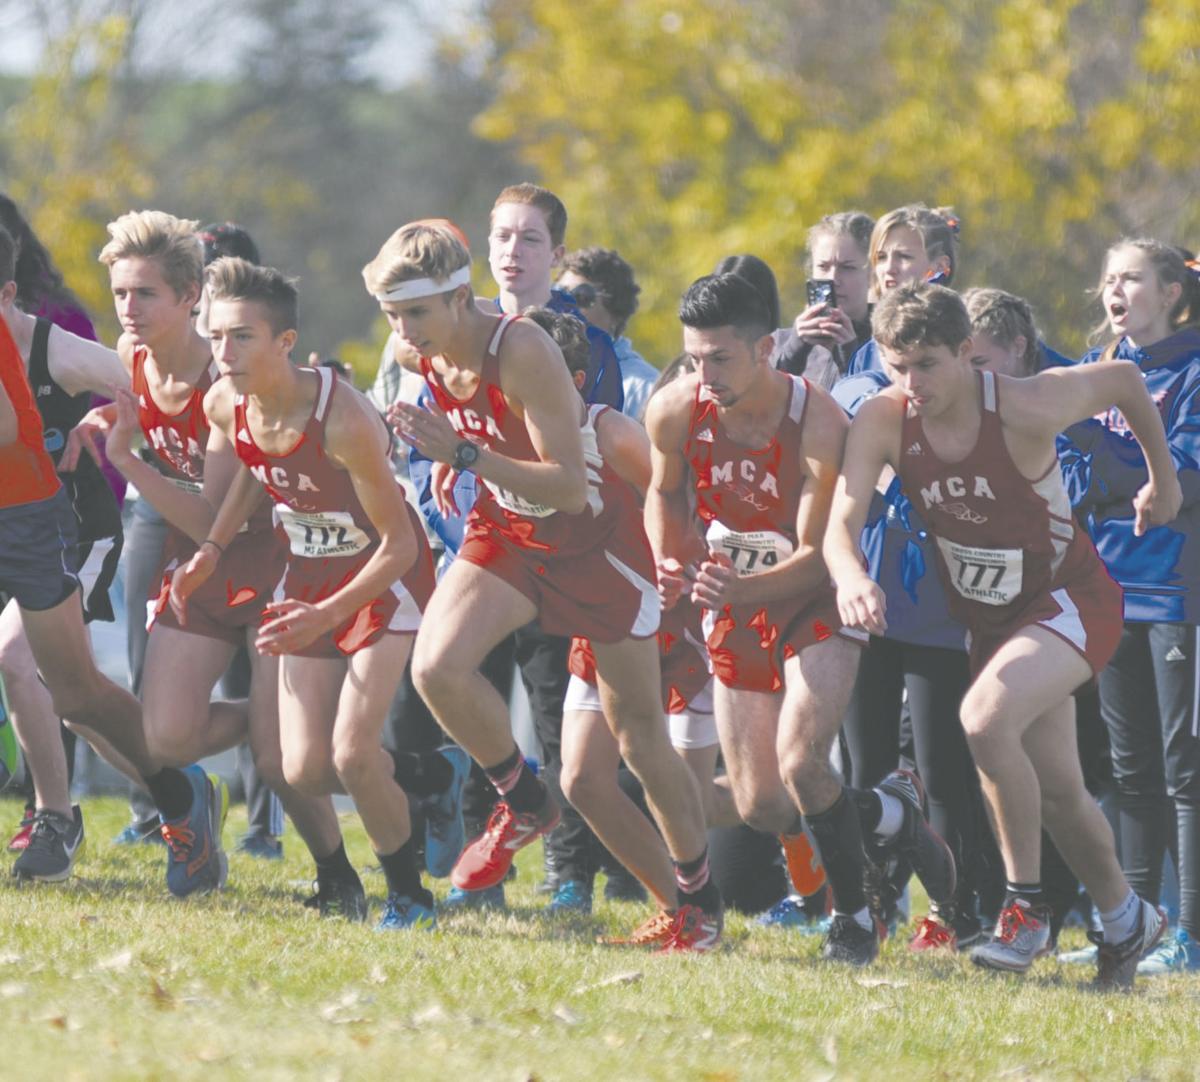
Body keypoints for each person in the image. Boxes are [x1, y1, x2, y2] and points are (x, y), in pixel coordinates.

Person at [377, 219, 722, 950]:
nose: (403, 331)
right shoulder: (427, 346)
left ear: (459, 297)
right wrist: (456, 454)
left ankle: (698, 901)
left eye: (414, 313)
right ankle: (522, 798)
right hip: (511, 535)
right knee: (437, 666)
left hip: (593, 550)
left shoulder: (523, 349)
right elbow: (483, 432)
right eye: (391, 315)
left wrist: (464, 451)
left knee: (635, 747)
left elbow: (571, 488)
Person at [824, 282, 1178, 988]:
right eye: (897, 367)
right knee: (1059, 792)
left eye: (927, 365)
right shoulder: (884, 420)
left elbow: (1127, 378)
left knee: (983, 720)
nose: (911, 384)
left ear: (966, 354)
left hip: (1069, 597)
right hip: (993, 618)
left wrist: (1161, 481)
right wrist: (851, 578)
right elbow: (840, 523)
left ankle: (1025, 909)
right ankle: (1125, 918)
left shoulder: (1026, 403)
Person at [645, 271, 954, 966]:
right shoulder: (673, 410)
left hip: (814, 599)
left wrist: (727, 591)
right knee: (761, 804)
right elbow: (664, 493)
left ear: (768, 347)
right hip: (734, 599)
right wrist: (669, 558)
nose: (705, 374)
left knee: (803, 760)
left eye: (720, 358)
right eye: (694, 358)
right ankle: (890, 812)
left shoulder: (818, 421)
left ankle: (852, 919)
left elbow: (818, 558)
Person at [68, 210, 346, 902]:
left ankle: (340, 876)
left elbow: (206, 512)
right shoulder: (131, 359)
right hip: (197, 564)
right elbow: (155, 451)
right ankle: (257, 744)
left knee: (281, 760)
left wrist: (127, 461)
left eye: (145, 294)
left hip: (266, 558)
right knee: (164, 739)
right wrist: (98, 421)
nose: (128, 309)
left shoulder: (223, 385)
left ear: (191, 297)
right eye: (121, 293)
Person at [170, 255, 449, 930]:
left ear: (284, 343)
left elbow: (401, 547)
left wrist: (323, 614)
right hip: (311, 578)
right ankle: (433, 775)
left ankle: (408, 896)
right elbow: (252, 463)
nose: (223, 353)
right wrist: (211, 549)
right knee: (302, 768)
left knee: (352, 754)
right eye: (215, 337)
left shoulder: (344, 418)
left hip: (386, 578)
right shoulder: (224, 399)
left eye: (241, 337)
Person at [1058, 239, 1200, 974]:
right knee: (1129, 766)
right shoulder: (1102, 370)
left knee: (1186, 770)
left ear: (1174, 292)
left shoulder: (1195, 370)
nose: (1116, 292)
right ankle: (1135, 924)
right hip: (1109, 589)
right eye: (1109, 278)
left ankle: (1191, 937)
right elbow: (1082, 472)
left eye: (1133, 279)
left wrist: (1121, 464)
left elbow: (1182, 476)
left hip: (1180, 590)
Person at [0, 223, 127, 879]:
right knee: (70, 696)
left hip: (74, 528)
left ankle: (57, 816)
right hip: (13, 527)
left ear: (10, 293)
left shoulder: (58, 348)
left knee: (32, 670)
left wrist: (117, 430)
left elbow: (157, 389)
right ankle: (174, 787)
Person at [846, 205, 960, 377]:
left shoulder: (964, 340)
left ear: (940, 266)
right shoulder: (866, 355)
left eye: (904, 256)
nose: (889, 269)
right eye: (881, 257)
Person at [557, 247, 657, 420]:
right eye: (559, 293)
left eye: (581, 296)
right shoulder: (544, 370)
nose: (567, 306)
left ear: (615, 312)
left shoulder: (644, 388)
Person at [776, 211, 875, 386]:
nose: (833, 279)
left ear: (871, 273)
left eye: (847, 268)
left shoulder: (887, 344)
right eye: (823, 266)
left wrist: (854, 358)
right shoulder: (778, 342)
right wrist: (793, 352)